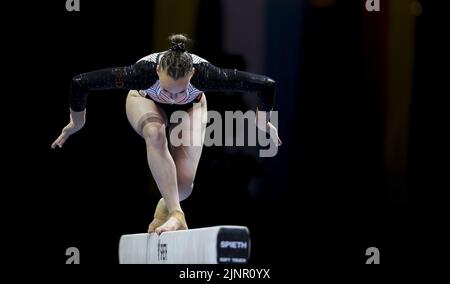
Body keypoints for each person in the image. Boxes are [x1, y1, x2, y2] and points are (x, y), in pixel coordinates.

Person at [51, 34, 281, 235]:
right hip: (144, 101)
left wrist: (263, 121)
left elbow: (265, 84)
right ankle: (177, 215)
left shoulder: (208, 76)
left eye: (180, 90)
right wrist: (76, 122)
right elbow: (80, 82)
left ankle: (167, 205)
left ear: (192, 73)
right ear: (157, 69)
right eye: (167, 89)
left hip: (193, 106)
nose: (171, 97)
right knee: (155, 133)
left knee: (183, 187)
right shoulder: (139, 74)